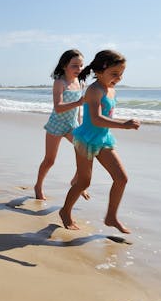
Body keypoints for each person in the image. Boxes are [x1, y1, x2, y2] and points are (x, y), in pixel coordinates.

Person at [58, 49, 140, 233]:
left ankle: (111, 217)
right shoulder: (94, 90)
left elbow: (106, 116)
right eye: (114, 74)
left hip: (103, 139)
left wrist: (122, 124)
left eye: (121, 74)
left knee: (121, 178)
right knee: (83, 182)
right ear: (100, 70)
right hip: (86, 139)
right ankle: (65, 211)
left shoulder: (111, 89)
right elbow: (95, 119)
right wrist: (124, 124)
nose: (118, 78)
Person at [34, 49, 87, 200]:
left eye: (81, 65)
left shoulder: (81, 82)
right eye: (75, 66)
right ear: (65, 65)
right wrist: (77, 102)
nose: (79, 69)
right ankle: (38, 185)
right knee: (50, 160)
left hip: (72, 125)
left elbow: (79, 108)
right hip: (56, 124)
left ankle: (76, 181)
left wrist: (81, 125)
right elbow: (58, 106)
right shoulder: (60, 82)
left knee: (86, 151)